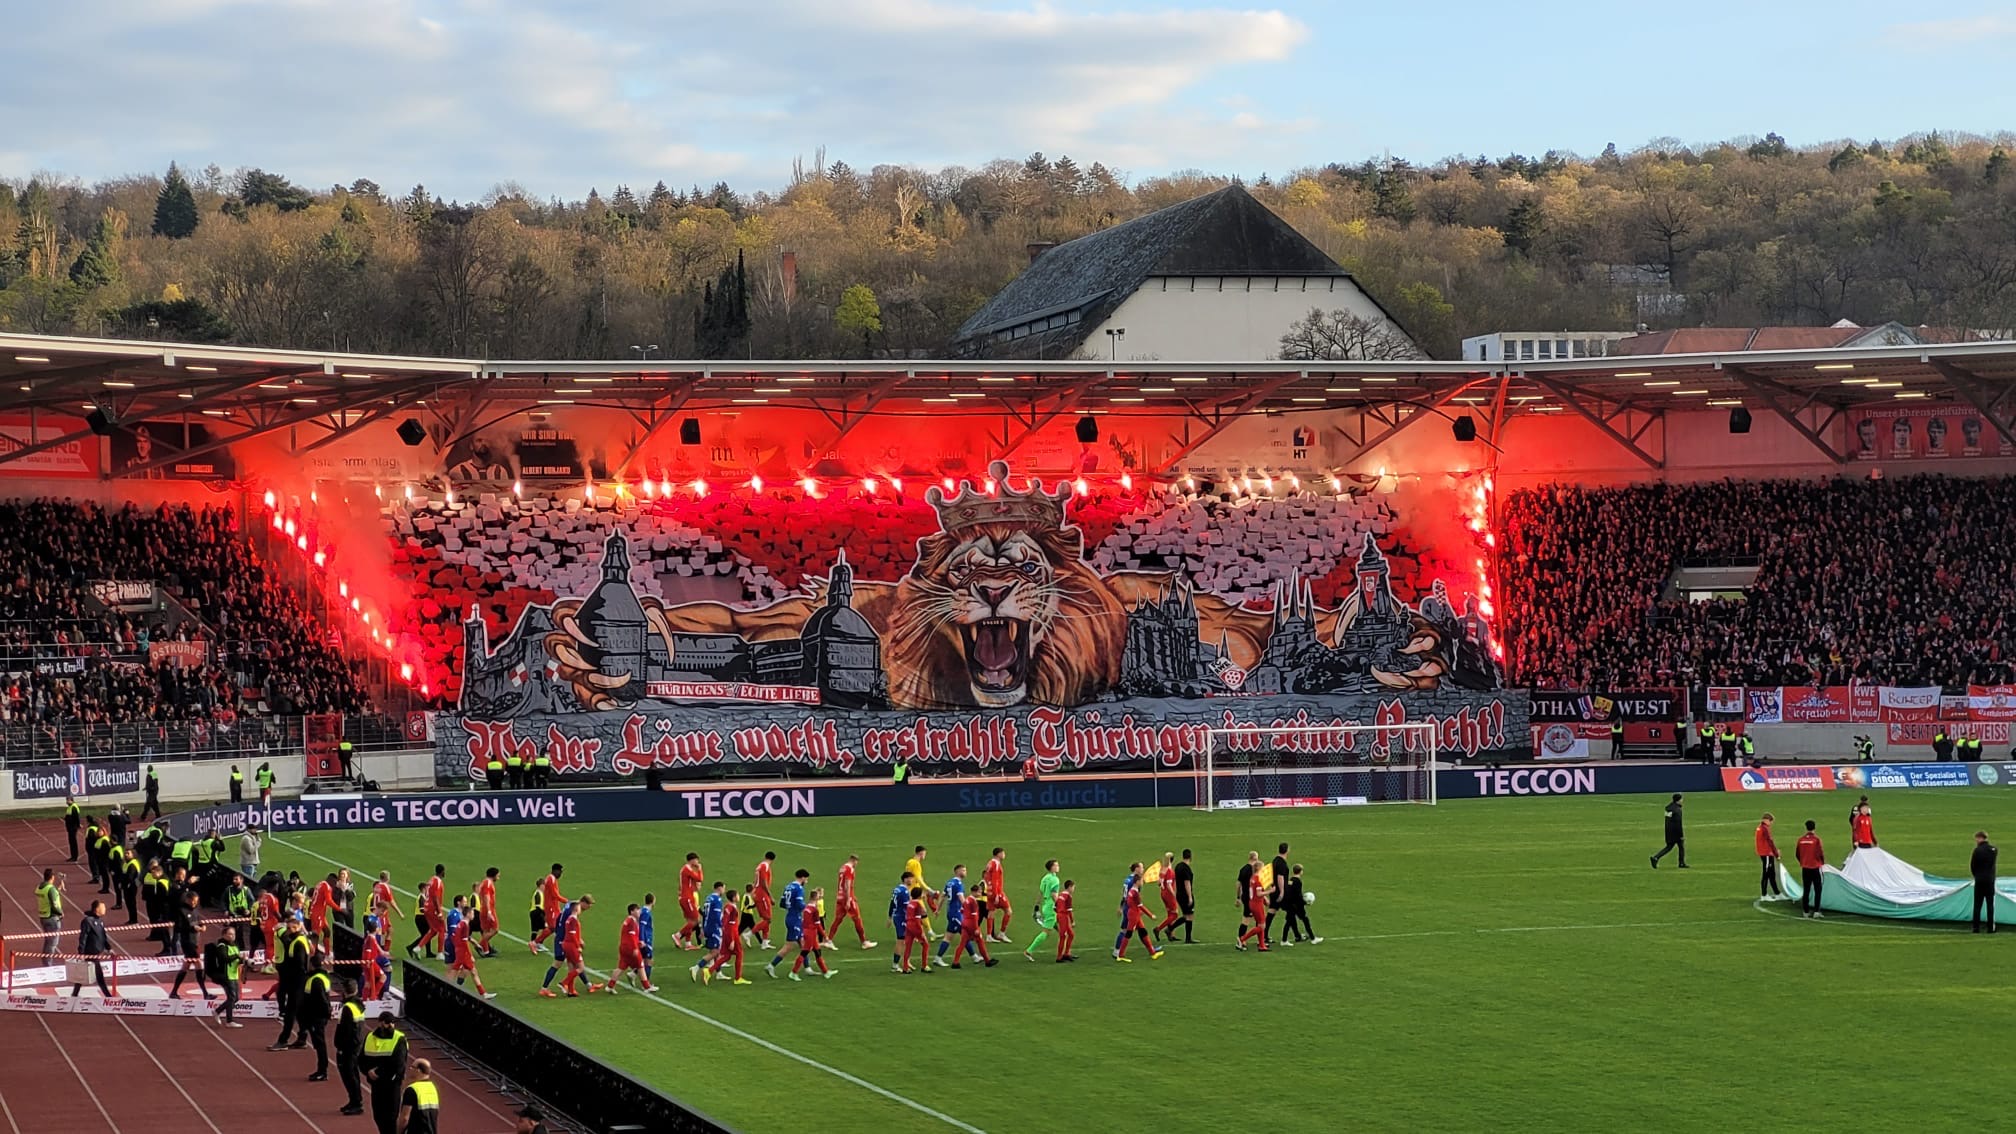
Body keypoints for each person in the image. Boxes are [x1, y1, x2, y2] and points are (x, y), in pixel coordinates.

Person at [358, 1011, 410, 1134]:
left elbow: (398, 1064)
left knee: (391, 1117)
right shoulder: (370, 1037)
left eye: (392, 1022)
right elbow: (361, 1059)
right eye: (387, 1023)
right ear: (380, 1023)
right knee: (378, 1117)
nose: (390, 1025)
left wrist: (379, 1073)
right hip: (376, 1084)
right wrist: (367, 1071)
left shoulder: (399, 1039)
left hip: (392, 1084)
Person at [539, 894, 594, 997]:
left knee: (574, 963)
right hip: (564, 939)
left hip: (562, 937)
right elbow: (569, 925)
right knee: (558, 964)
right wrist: (577, 940)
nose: (588, 909)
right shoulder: (574, 911)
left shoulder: (570, 904)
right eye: (588, 906)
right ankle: (546, 988)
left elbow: (560, 917)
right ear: (583, 903)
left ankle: (585, 986)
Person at [447, 893, 496, 999]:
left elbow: (456, 937)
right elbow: (464, 942)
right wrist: (470, 955)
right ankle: (446, 988)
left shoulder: (462, 924)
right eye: (472, 913)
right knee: (456, 970)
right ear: (468, 914)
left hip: (459, 951)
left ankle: (483, 993)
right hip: (462, 953)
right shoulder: (465, 925)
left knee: (471, 971)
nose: (474, 914)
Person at [765, 870, 811, 980]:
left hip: (790, 916)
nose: (807, 881)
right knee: (789, 946)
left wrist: (791, 908)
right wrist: (808, 908)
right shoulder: (799, 888)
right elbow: (800, 904)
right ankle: (771, 965)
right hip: (795, 918)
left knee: (803, 943)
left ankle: (807, 968)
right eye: (806, 879)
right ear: (803, 878)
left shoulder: (788, 886)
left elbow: (782, 903)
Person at [168, 890, 214, 1000]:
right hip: (188, 942)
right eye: (192, 901)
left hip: (196, 941)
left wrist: (203, 926)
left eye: (196, 902)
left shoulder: (195, 911)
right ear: (187, 900)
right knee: (198, 964)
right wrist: (192, 928)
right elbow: (178, 927)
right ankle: (205, 993)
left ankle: (174, 992)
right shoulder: (181, 911)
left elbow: (198, 920)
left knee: (186, 966)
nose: (194, 904)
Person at [1113, 864, 1162, 962]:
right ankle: (1118, 951)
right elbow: (1130, 898)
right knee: (1126, 931)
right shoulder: (1133, 883)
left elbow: (1125, 894)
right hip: (1131, 911)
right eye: (1141, 867)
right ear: (1136, 869)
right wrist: (1149, 914)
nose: (1143, 869)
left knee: (1141, 930)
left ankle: (1151, 950)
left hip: (1132, 909)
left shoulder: (1128, 880)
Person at [335, 979, 368, 1114]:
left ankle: (356, 1102)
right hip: (356, 1044)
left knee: (349, 1075)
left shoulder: (347, 1008)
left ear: (344, 991)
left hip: (348, 1047)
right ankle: (354, 1100)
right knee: (352, 1074)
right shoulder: (358, 1006)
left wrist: (340, 1047)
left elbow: (345, 1030)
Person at [299, 953, 334, 1080]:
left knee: (320, 1044)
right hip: (317, 1016)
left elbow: (321, 999)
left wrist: (325, 1013)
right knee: (319, 1044)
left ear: (312, 965)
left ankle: (322, 1071)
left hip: (316, 1017)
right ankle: (322, 1070)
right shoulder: (322, 977)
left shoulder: (316, 980)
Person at [71, 900, 113, 998]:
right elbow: (83, 937)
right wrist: (81, 952)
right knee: (99, 975)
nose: (105, 909)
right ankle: (108, 996)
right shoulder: (87, 921)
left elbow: (103, 936)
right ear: (96, 909)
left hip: (96, 953)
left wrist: (109, 949)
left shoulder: (100, 921)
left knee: (83, 974)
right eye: (103, 907)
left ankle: (74, 994)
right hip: (90, 953)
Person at [1023, 859, 1063, 962]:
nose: (1058, 866)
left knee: (1062, 931)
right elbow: (1054, 895)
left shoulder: (1045, 878)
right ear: (1052, 868)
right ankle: (1029, 951)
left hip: (1046, 906)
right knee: (1046, 932)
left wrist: (1036, 905)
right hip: (1052, 908)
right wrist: (1060, 906)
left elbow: (1040, 892)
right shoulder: (1055, 880)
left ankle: (1065, 952)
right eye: (1056, 865)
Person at [603, 901, 647, 993]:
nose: (639, 912)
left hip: (624, 946)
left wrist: (638, 943)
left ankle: (610, 986)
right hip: (630, 948)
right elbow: (631, 936)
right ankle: (647, 986)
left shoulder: (628, 920)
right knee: (640, 965)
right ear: (632, 912)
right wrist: (635, 947)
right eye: (637, 910)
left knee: (621, 967)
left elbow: (629, 936)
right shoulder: (631, 922)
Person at [791, 887, 835, 979]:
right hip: (811, 933)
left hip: (808, 932)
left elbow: (804, 922)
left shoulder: (806, 907)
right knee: (804, 953)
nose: (820, 896)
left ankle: (826, 972)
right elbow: (818, 925)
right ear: (815, 897)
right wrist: (825, 936)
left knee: (817, 952)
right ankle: (793, 972)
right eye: (818, 895)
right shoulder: (815, 910)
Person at [833, 855, 874, 948]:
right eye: (856, 862)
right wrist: (848, 899)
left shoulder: (842, 867)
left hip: (840, 896)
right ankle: (864, 942)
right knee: (857, 919)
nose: (856, 864)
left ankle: (829, 939)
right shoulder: (850, 869)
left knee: (838, 919)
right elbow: (847, 885)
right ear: (853, 860)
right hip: (847, 898)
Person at [691, 882, 728, 984]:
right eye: (723, 888)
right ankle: (697, 967)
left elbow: (705, 914)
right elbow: (716, 916)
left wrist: (703, 928)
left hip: (707, 927)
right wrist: (722, 926)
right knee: (715, 952)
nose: (724, 891)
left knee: (716, 950)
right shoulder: (717, 900)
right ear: (719, 888)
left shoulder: (708, 898)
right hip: (714, 928)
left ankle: (719, 973)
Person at [953, 883, 996, 967]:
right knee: (980, 942)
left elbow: (962, 911)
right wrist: (976, 928)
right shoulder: (974, 902)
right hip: (971, 925)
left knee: (962, 943)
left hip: (964, 923)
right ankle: (987, 961)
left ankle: (955, 962)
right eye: (979, 892)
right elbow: (975, 916)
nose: (980, 894)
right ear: (974, 892)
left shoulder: (967, 900)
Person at [410, 864, 447, 960]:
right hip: (433, 909)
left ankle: (418, 948)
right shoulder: (438, 882)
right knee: (442, 929)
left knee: (433, 930)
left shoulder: (431, 880)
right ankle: (440, 953)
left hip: (426, 908)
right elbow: (435, 897)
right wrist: (439, 912)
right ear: (442, 871)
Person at [398, 1058, 441, 1134]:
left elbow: (405, 1118)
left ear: (418, 1070)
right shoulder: (433, 1088)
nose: (410, 1069)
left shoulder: (412, 1090)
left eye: (412, 1067)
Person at [1280, 864, 1320, 945]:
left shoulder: (1290, 880)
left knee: (1289, 922)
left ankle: (1285, 940)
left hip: (1290, 904)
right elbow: (1298, 896)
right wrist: (1305, 903)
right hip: (1296, 906)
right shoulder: (1298, 882)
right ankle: (1313, 938)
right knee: (1305, 920)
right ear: (1300, 872)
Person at [1236, 860, 1270, 952]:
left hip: (1253, 903)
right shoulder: (1258, 879)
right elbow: (1259, 894)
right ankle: (1242, 939)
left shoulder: (1253, 878)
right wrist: (1270, 891)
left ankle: (1262, 945)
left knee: (1260, 924)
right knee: (1261, 926)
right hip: (1257, 904)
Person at [898, 886, 931, 975]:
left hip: (908, 925)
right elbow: (924, 913)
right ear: (920, 895)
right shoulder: (918, 904)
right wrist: (921, 932)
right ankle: (924, 966)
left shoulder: (910, 903)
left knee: (908, 946)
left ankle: (905, 967)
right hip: (916, 926)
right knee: (926, 945)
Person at [887, 872, 917, 973]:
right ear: (905, 879)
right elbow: (907, 907)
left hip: (897, 916)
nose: (911, 880)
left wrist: (890, 917)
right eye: (909, 879)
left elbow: (892, 903)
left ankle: (906, 961)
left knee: (906, 941)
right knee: (901, 941)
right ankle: (895, 965)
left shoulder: (897, 889)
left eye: (912, 879)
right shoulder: (904, 891)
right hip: (901, 918)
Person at [674, 854, 703, 950]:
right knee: (696, 920)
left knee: (690, 921)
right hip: (687, 898)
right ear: (692, 860)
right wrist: (699, 869)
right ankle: (678, 935)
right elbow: (700, 879)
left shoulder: (685, 870)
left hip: (684, 897)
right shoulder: (687, 869)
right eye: (696, 860)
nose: (698, 862)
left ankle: (688, 943)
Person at [1971, 831, 1999, 934]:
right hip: (1990, 880)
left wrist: (1977, 876)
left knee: (1977, 905)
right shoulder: (1994, 850)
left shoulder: (1977, 850)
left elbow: (1973, 866)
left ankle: (1975, 927)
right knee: (1990, 904)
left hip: (1979, 880)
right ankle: (1990, 928)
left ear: (1980, 838)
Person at [1650, 793, 1687, 868]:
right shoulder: (1677, 810)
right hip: (1675, 832)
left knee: (1669, 847)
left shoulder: (1668, 808)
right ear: (1678, 800)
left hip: (1668, 831)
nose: (1682, 801)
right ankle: (1681, 863)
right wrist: (1681, 835)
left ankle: (1656, 857)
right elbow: (1678, 823)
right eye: (1681, 799)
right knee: (1681, 847)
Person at [35, 867, 65, 958]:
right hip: (52, 918)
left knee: (48, 941)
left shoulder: (40, 887)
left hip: (43, 916)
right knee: (52, 943)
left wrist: (57, 890)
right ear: (52, 877)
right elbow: (54, 905)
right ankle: (48, 963)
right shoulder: (50, 889)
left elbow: (48, 897)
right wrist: (61, 913)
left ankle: (46, 959)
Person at [1152, 852, 1182, 942]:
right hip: (1169, 894)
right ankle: (1158, 929)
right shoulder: (1170, 871)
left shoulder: (1162, 869)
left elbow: (1158, 883)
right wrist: (1174, 895)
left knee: (1170, 914)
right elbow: (1169, 885)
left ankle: (1171, 934)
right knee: (1175, 915)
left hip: (1163, 893)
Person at [982, 848, 1011, 942]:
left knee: (991, 912)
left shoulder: (990, 863)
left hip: (989, 891)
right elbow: (995, 880)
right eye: (1003, 853)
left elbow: (986, 877)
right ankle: (1002, 933)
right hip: (996, 892)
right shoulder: (996, 864)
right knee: (1008, 911)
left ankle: (989, 935)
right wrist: (997, 894)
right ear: (999, 854)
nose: (1004, 855)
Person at [1169, 848, 1197, 944]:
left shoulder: (1178, 866)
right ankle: (1187, 938)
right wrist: (1190, 897)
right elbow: (1187, 883)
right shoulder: (1186, 868)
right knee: (1189, 916)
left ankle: (1171, 929)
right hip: (1185, 895)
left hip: (1179, 894)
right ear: (1190, 857)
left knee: (1186, 916)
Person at [1756, 813, 1783, 899]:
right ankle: (1764, 895)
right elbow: (1770, 841)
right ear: (1767, 820)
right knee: (1766, 873)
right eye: (1770, 821)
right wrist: (1776, 854)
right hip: (1766, 853)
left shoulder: (1760, 827)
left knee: (1771, 873)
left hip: (1765, 853)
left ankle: (1777, 893)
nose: (1771, 823)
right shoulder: (1764, 829)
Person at [475, 867, 501, 957]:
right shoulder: (488, 883)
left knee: (486, 931)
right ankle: (479, 945)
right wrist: (489, 911)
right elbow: (486, 897)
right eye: (497, 875)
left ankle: (486, 951)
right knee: (495, 929)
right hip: (488, 909)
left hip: (484, 908)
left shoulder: (485, 883)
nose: (498, 877)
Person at [1053, 879, 1077, 962]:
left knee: (1071, 934)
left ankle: (1067, 953)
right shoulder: (1068, 897)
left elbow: (1055, 907)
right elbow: (1069, 910)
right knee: (1063, 936)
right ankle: (1059, 957)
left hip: (1060, 916)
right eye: (1073, 887)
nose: (1074, 889)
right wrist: (1072, 921)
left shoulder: (1060, 895)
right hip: (1064, 916)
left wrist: (1059, 914)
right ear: (1069, 887)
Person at [637, 891, 657, 987]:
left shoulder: (643, 911)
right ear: (653, 901)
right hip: (646, 939)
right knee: (648, 960)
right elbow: (642, 926)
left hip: (646, 938)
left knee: (643, 959)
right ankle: (646, 984)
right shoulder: (646, 912)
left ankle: (633, 974)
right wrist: (642, 939)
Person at [62, 794, 81, 862]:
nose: (66, 802)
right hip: (70, 827)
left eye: (68, 800)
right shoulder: (70, 807)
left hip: (73, 827)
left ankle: (74, 857)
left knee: (73, 842)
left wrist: (78, 825)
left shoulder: (74, 807)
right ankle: (73, 856)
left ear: (71, 800)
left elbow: (77, 817)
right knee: (71, 842)